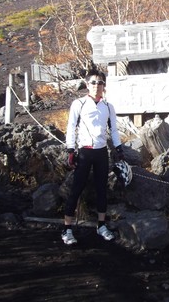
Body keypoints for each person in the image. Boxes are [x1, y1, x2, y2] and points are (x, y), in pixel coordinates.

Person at [62, 70, 124, 245]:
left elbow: (113, 129)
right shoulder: (79, 104)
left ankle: (101, 225)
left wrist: (119, 148)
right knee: (77, 189)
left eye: (101, 83)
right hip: (84, 152)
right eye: (94, 82)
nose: (97, 85)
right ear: (87, 84)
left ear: (104, 86)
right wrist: (70, 150)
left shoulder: (108, 106)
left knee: (101, 189)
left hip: (101, 152)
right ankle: (66, 229)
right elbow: (71, 126)